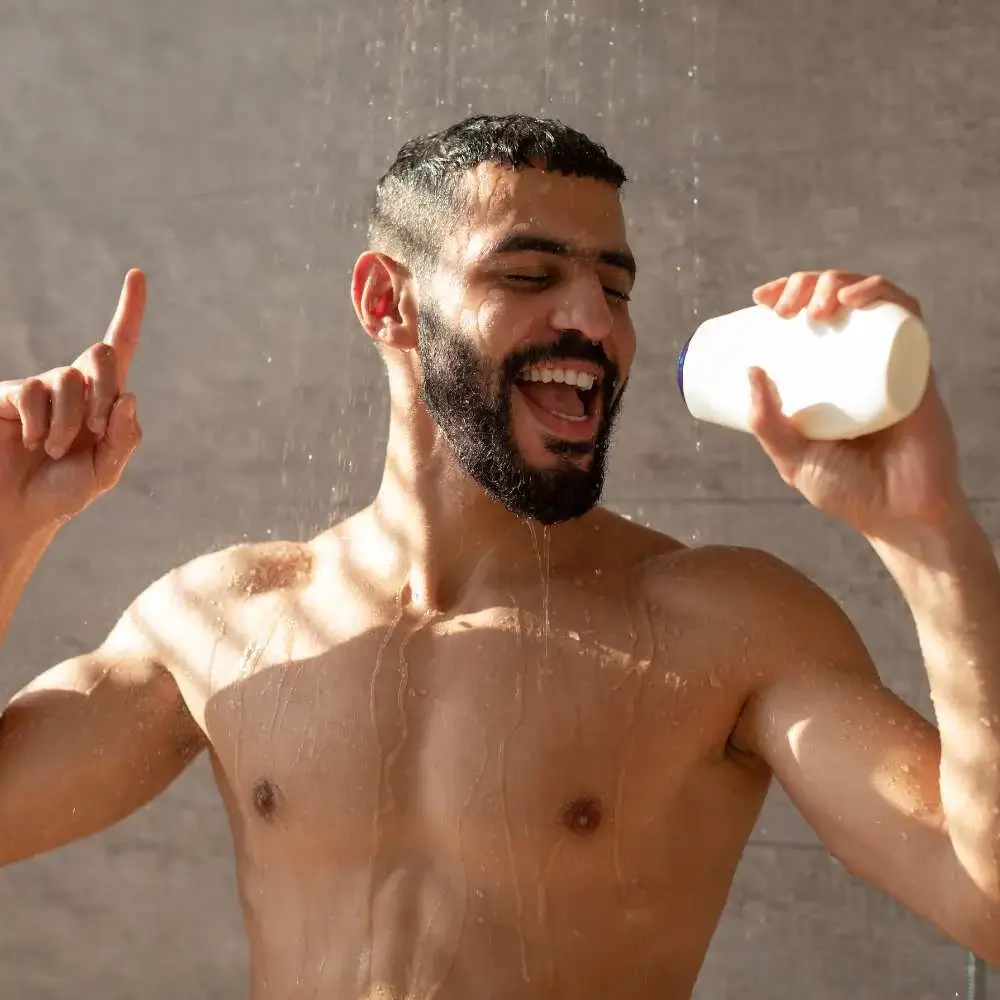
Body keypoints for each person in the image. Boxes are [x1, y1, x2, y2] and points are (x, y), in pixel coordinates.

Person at [1, 114, 998, 1000]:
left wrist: (928, 536)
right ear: (386, 301)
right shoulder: (229, 616)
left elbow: (984, 903)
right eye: (528, 275)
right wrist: (13, 524)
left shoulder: (725, 627)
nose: (595, 322)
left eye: (615, 286)